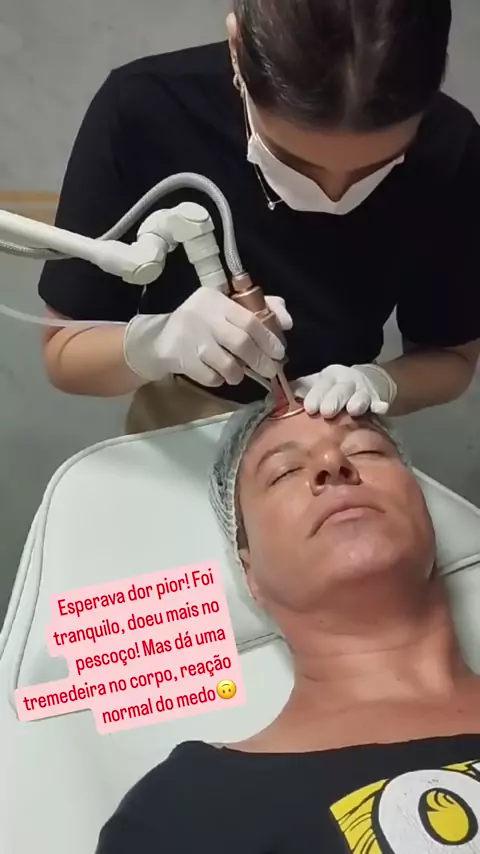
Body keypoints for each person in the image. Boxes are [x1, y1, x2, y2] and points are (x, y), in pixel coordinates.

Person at [40, 0, 480, 433]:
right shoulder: (146, 108)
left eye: (379, 166)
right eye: (295, 161)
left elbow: (453, 357)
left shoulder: (451, 148)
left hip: (337, 419)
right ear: (237, 47)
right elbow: (64, 352)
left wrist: (378, 383)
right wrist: (157, 344)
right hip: (185, 424)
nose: (333, 191)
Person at [96, 402, 480, 853]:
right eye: (283, 472)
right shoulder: (186, 811)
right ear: (249, 572)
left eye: (366, 450)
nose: (332, 464)